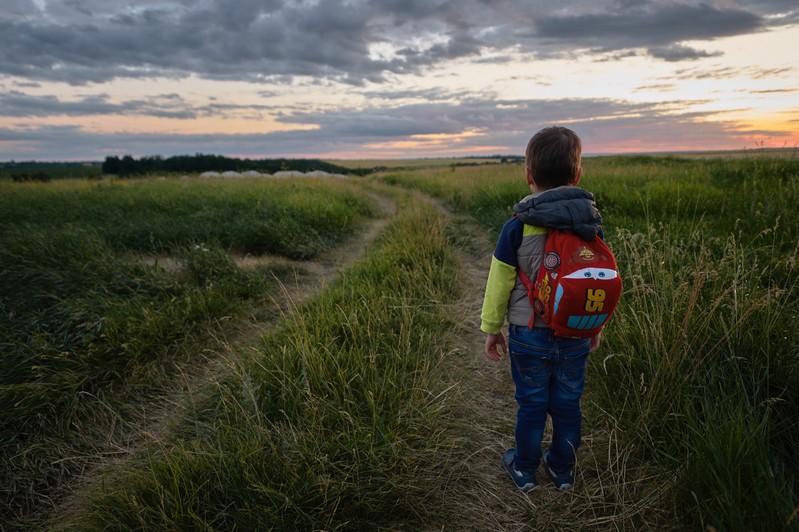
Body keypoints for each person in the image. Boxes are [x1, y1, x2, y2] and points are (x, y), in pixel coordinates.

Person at [480, 126, 603, 492]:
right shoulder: (589, 227)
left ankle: (525, 469)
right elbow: (594, 283)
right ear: (577, 175)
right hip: (576, 333)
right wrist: (594, 327)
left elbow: (499, 282)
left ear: (528, 176)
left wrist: (491, 328)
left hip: (528, 332)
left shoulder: (516, 227)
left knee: (532, 405)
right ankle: (563, 469)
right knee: (568, 404)